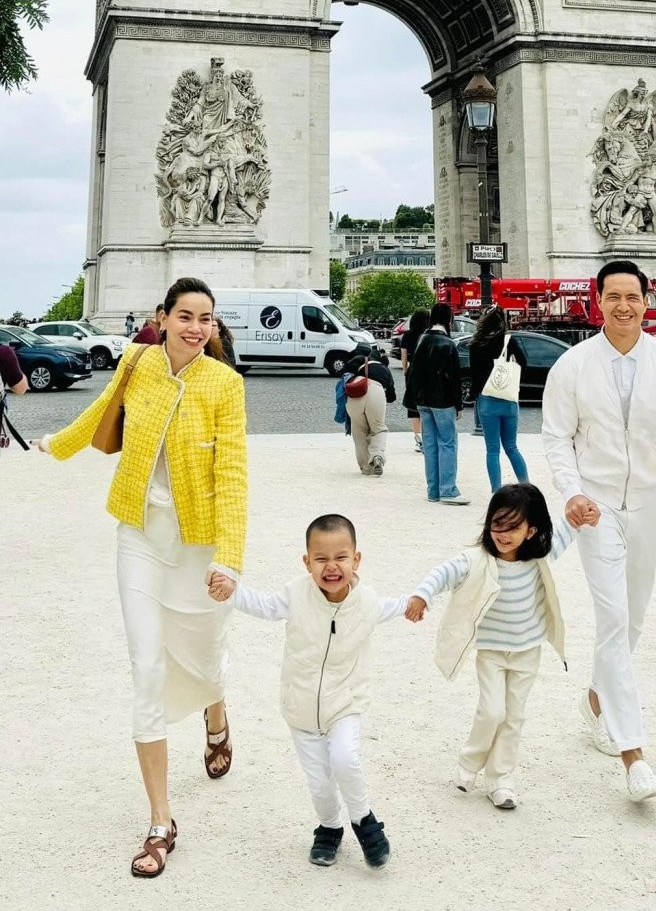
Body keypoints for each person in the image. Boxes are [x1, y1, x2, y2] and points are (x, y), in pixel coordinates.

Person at [36, 277, 248, 877]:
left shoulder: (225, 384)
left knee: (203, 658)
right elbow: (100, 413)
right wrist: (56, 444)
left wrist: (229, 558)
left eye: (206, 319)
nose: (196, 328)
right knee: (148, 667)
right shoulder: (137, 362)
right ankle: (160, 821)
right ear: (163, 317)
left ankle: (214, 711)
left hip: (199, 543)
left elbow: (234, 473)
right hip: (139, 535)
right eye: (186, 316)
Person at [541, 259, 656, 803]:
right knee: (614, 619)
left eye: (633, 297)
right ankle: (634, 755)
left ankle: (596, 700)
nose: (624, 306)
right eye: (613, 296)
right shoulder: (572, 365)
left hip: (648, 504)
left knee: (634, 617)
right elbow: (556, 437)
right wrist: (571, 492)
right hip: (595, 508)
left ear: (647, 302)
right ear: (597, 301)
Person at [208, 514, 407, 869]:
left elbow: (397, 606)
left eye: (341, 557)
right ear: (307, 562)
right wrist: (231, 591)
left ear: (356, 559)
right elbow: (263, 605)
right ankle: (329, 827)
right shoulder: (295, 595)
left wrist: (417, 601)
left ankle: (364, 820)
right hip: (300, 708)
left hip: (345, 703)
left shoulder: (367, 602)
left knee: (345, 758)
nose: (331, 566)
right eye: (321, 558)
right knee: (319, 782)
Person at [405, 484, 575, 811]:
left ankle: (501, 779)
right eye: (497, 523)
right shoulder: (476, 560)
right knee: (493, 711)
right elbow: (443, 573)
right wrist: (422, 595)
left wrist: (581, 513)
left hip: (527, 652)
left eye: (513, 527)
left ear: (531, 531)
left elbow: (568, 530)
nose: (503, 534)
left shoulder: (539, 557)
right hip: (492, 653)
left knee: (514, 717)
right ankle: (469, 763)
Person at [403, 302, 469, 505]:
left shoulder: (422, 339)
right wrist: (459, 405)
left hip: (422, 400)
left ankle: (433, 490)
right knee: (447, 443)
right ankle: (448, 489)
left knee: (430, 444)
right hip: (443, 400)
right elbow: (455, 378)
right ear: (448, 320)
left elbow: (413, 372)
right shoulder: (448, 343)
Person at [468, 306, 529, 492]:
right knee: (511, 447)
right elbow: (524, 363)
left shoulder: (476, 345)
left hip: (487, 401)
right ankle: (527, 486)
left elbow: (475, 377)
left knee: (492, 450)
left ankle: (496, 491)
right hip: (508, 399)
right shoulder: (508, 341)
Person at [343, 347, 395, 476]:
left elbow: (344, 372)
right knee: (378, 429)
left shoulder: (360, 361)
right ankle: (377, 455)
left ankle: (366, 468)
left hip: (356, 392)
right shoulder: (386, 371)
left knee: (359, 432)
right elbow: (392, 397)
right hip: (377, 392)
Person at [401, 308, 430, 453]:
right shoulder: (428, 335)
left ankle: (418, 439)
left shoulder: (407, 335)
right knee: (425, 403)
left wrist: (406, 371)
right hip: (427, 371)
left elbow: (404, 356)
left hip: (412, 371)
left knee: (412, 406)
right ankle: (427, 436)